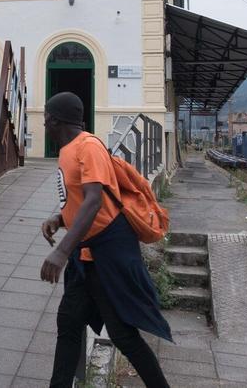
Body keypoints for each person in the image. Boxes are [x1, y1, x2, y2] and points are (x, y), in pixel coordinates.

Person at [39, 91, 172, 388]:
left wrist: (61, 252)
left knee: (122, 334)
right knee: (69, 324)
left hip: (108, 251)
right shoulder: (68, 149)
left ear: (53, 119)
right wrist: (59, 218)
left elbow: (94, 200)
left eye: (45, 120)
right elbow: (80, 198)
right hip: (85, 253)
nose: (44, 125)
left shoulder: (88, 146)